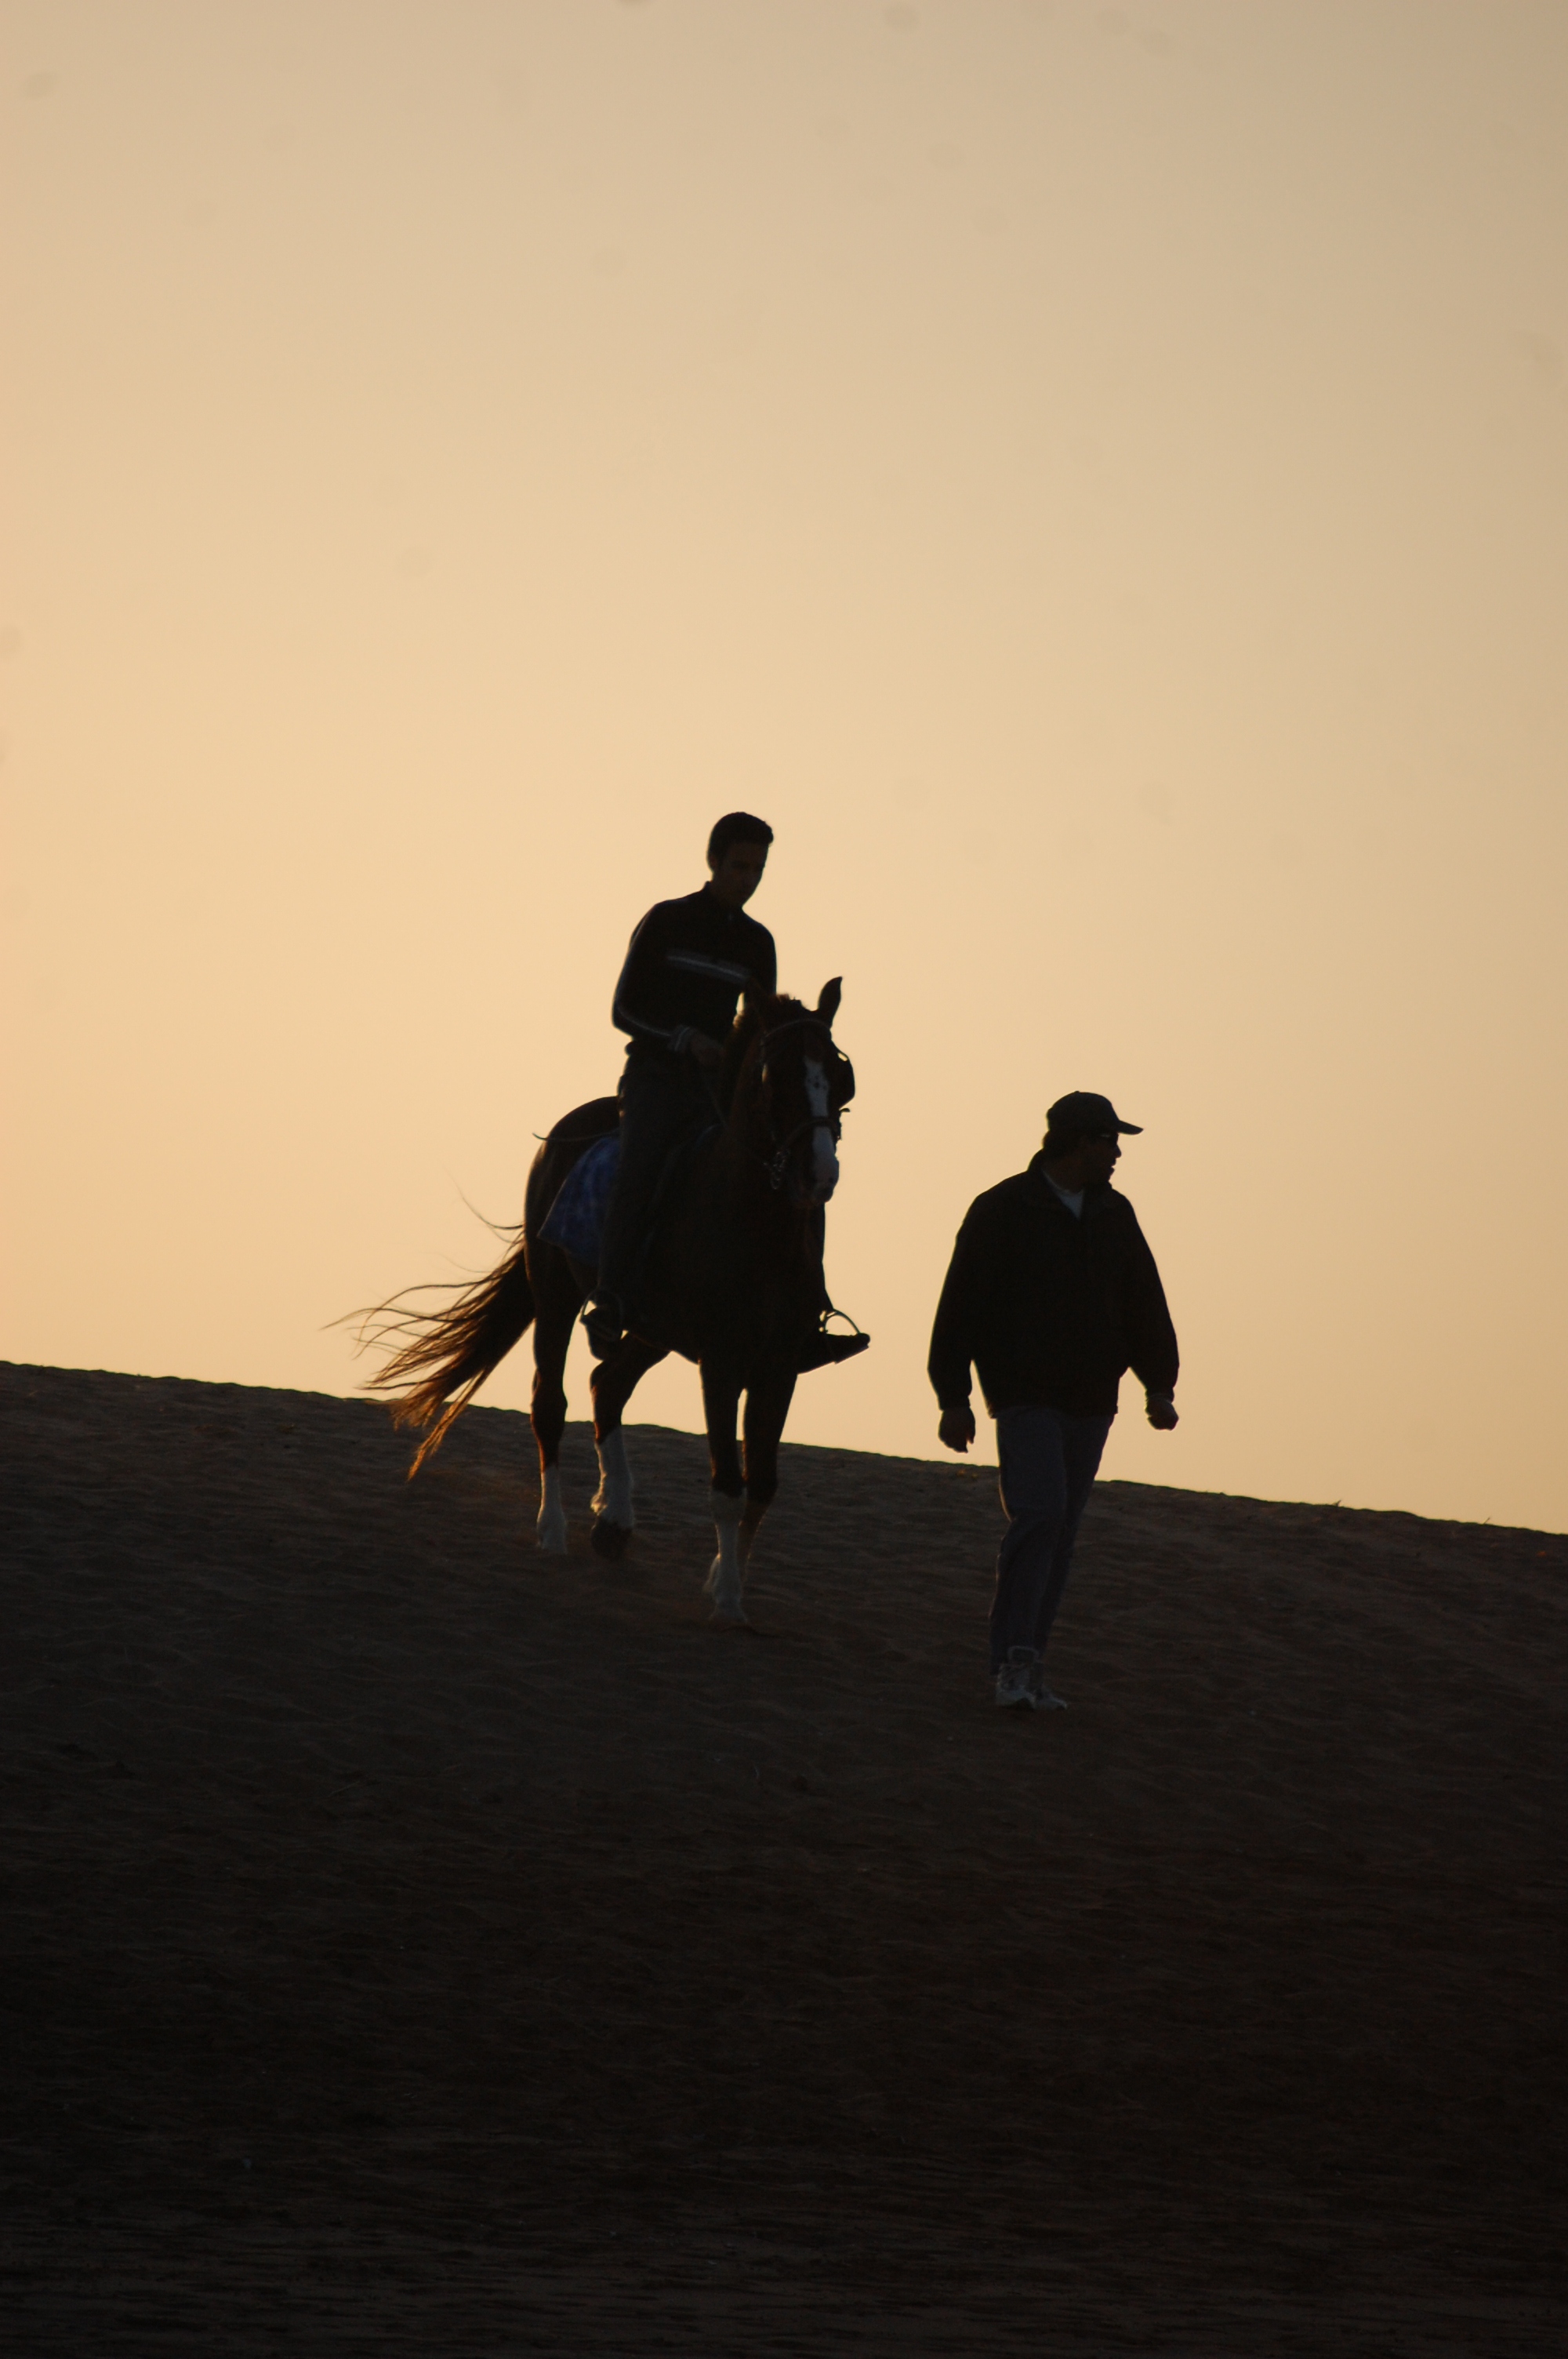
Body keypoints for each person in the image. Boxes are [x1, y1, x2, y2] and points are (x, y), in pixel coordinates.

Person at [927, 1091, 1180, 1711]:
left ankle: (1032, 1663)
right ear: (1076, 1142)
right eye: (1108, 1141)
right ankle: (1011, 1663)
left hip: (1093, 1399)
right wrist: (953, 1396)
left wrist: (1160, 1384)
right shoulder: (1002, 1208)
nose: (1117, 1153)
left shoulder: (1115, 1214)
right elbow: (960, 1306)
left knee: (1061, 1531)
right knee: (1038, 1516)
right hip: (1024, 1395)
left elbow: (1144, 1301)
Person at [586, 813, 865, 1371]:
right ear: (714, 862)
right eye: (740, 866)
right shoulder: (666, 921)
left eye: (758, 869)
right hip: (657, 1079)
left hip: (721, 1088)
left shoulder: (759, 943)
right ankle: (611, 1300)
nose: (749, 879)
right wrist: (685, 1040)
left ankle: (810, 1312)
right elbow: (623, 1009)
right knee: (641, 1166)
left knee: (798, 1170)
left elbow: (758, 1021)